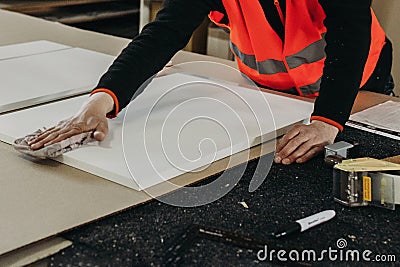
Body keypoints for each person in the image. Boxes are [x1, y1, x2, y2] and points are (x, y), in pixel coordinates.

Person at [28, 0, 393, 165]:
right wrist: (99, 102)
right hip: (271, 94)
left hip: (357, 87)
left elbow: (351, 31)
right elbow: (164, 33)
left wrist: (328, 120)